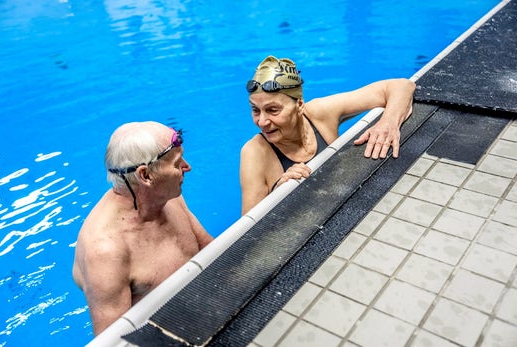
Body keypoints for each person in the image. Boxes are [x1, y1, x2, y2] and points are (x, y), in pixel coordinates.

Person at [72, 121, 213, 335]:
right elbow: (114, 342)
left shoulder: (168, 196)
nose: (187, 167)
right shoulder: (105, 251)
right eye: (176, 164)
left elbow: (213, 252)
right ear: (145, 175)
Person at [240, 56, 416, 214]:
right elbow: (243, 241)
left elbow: (402, 85)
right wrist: (278, 195)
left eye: (273, 110)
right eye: (255, 110)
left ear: (300, 105)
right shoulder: (255, 153)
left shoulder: (319, 113)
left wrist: (388, 123)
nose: (261, 121)